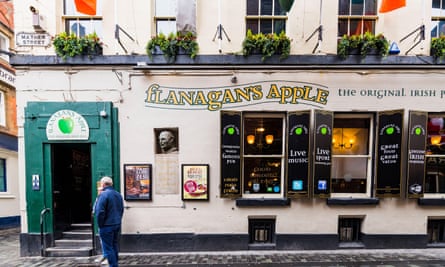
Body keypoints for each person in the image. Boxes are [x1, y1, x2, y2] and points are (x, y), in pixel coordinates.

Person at [94, 176, 124, 267]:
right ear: (111, 184)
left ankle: (113, 265)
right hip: (116, 223)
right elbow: (121, 209)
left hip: (106, 225)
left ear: (103, 184)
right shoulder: (118, 194)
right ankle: (115, 264)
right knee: (114, 245)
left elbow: (99, 212)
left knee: (108, 248)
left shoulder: (103, 195)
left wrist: (100, 224)